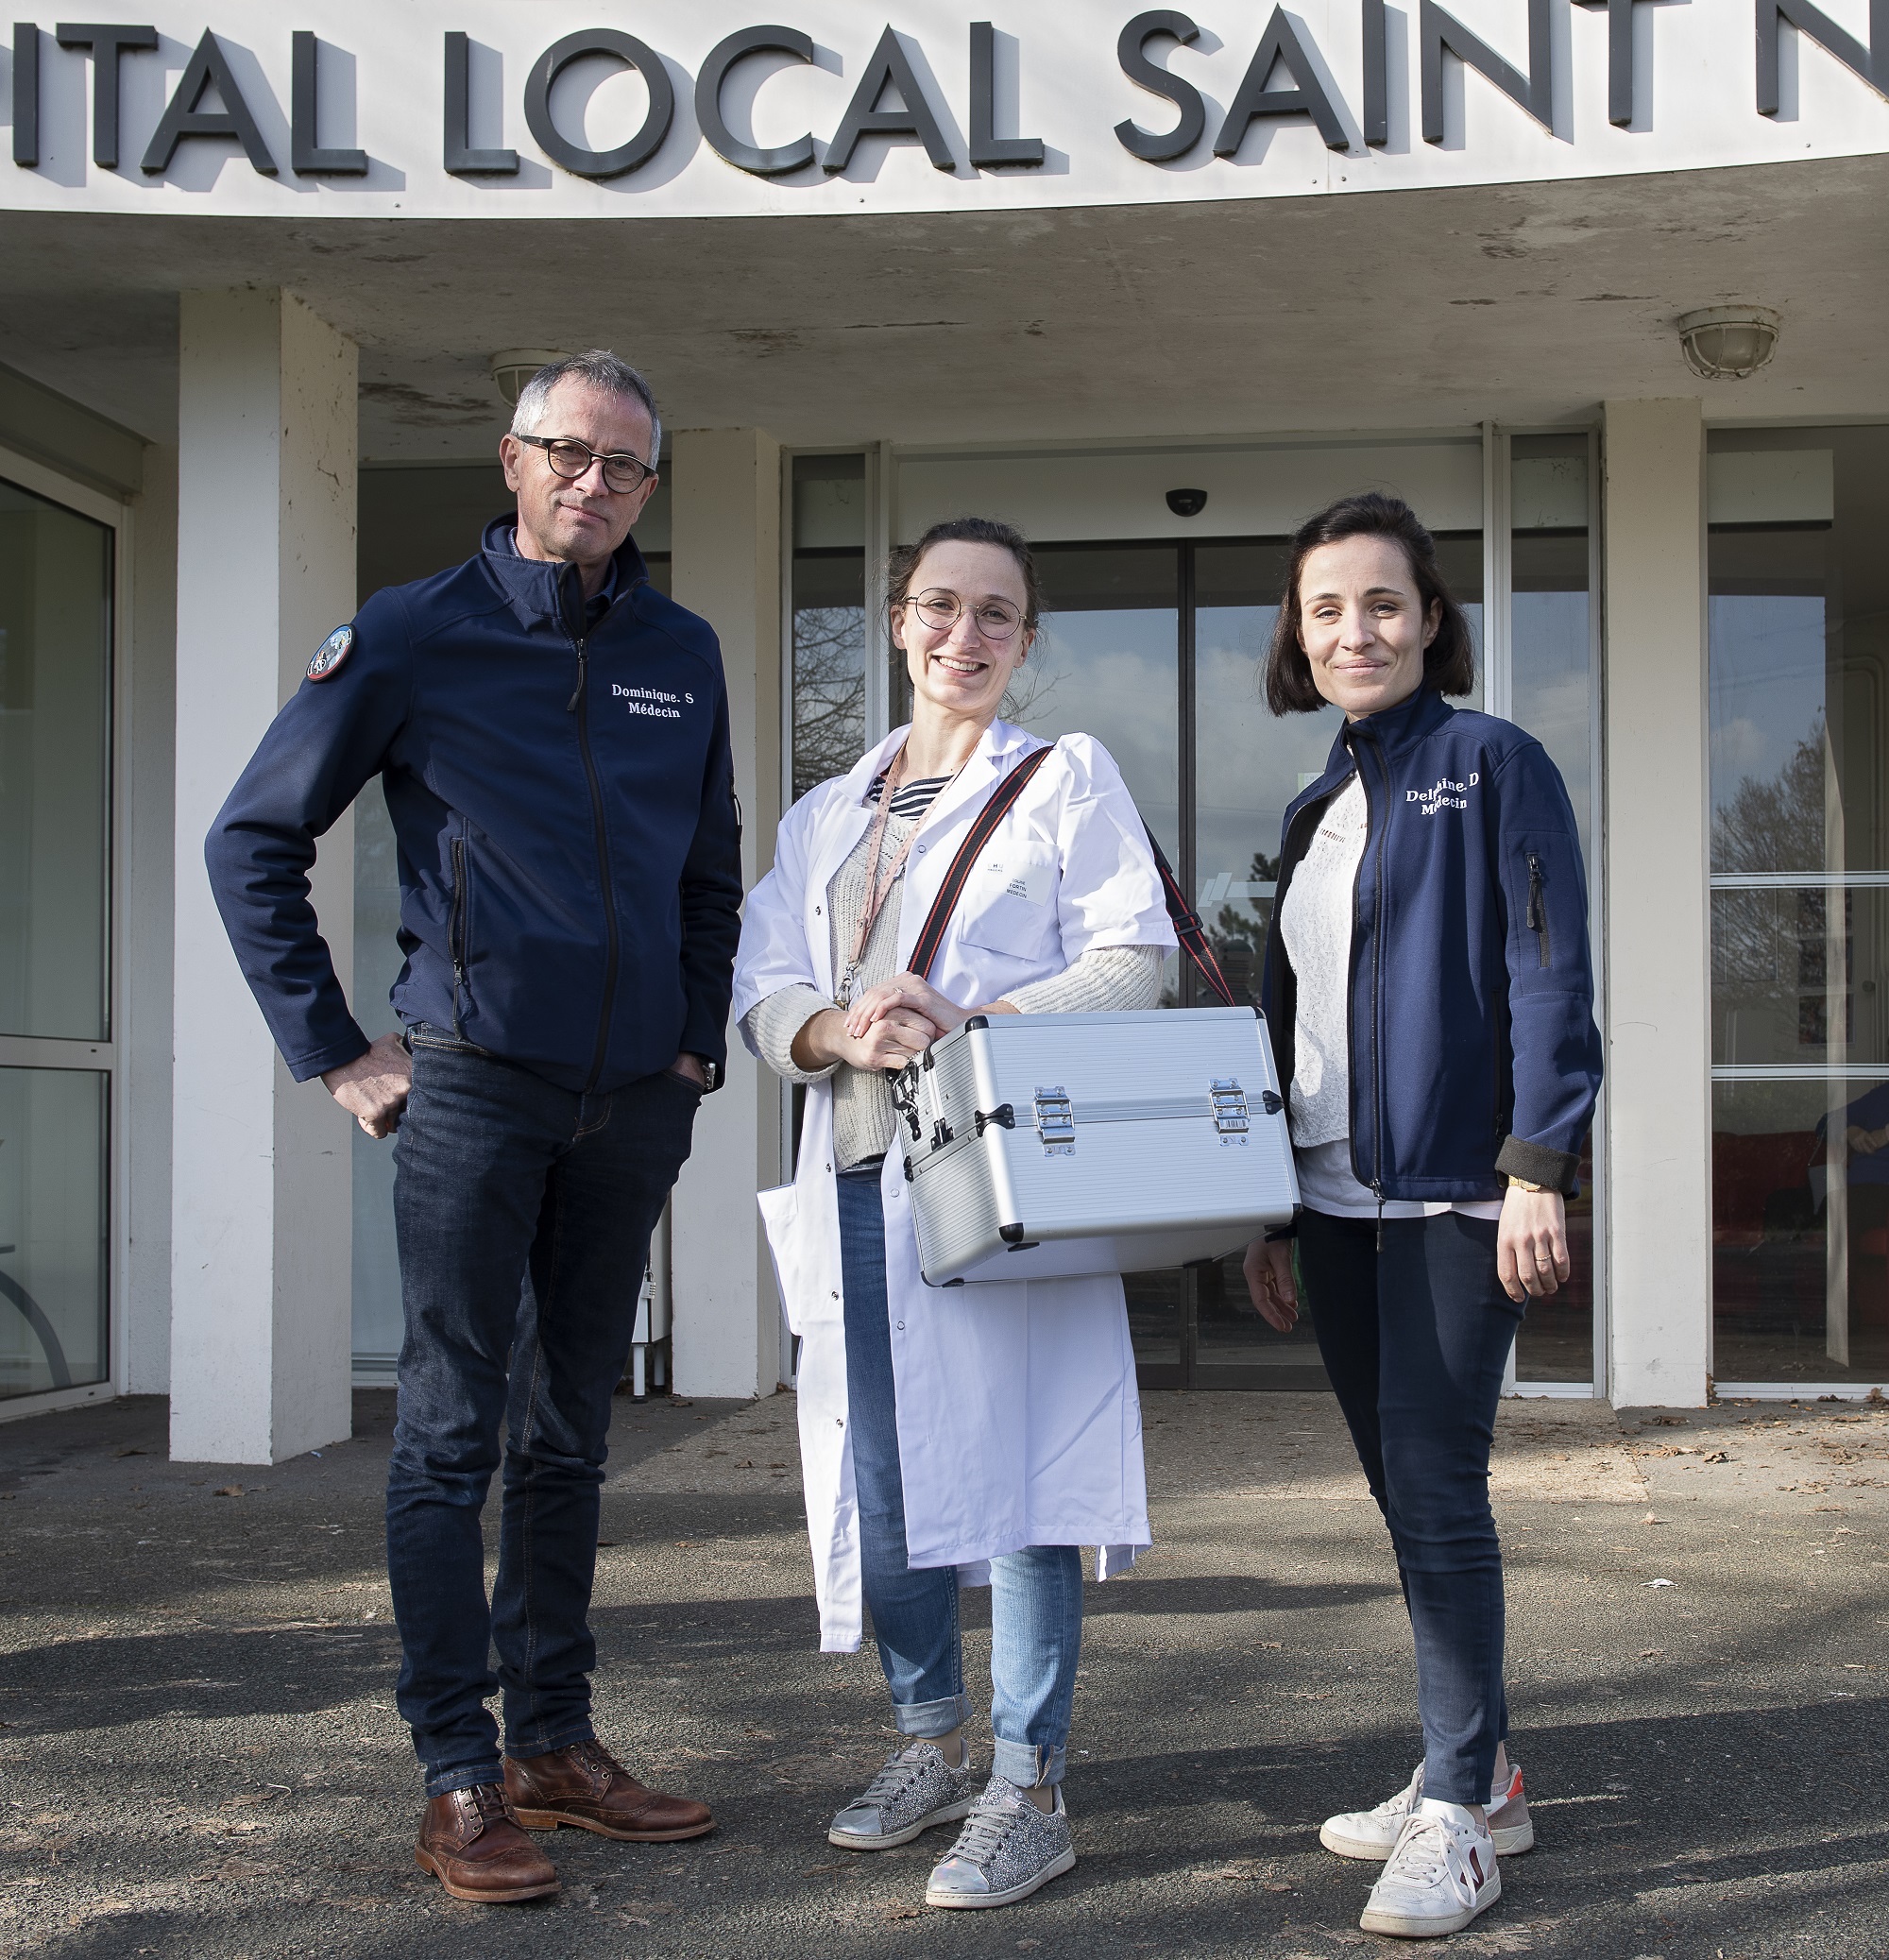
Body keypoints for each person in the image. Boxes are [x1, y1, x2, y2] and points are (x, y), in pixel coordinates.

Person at [205, 351, 743, 1904]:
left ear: (649, 485)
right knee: (450, 1434)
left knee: (571, 1427)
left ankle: (554, 1747)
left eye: (624, 465)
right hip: (470, 1086)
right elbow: (254, 842)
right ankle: (457, 1773)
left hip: (633, 1102)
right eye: (567, 453)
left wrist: (696, 1044)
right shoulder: (407, 634)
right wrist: (338, 1055)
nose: (593, 482)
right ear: (511, 461)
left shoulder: (682, 651)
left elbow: (707, 874)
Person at [734, 517, 1175, 1911]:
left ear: (1025, 643)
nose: (964, 636)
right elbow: (760, 984)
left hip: (999, 1181)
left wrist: (966, 1015)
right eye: (941, 607)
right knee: (887, 1475)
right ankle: (930, 1738)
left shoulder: (1064, 780)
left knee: (1029, 1477)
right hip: (859, 1175)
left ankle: (1031, 1779)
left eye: (996, 616)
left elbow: (1137, 961)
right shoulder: (830, 810)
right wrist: (828, 1035)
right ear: (897, 620)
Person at [1241, 493, 1602, 1940]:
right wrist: (1267, 1206)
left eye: (1382, 602)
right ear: (1301, 635)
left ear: (1432, 619)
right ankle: (1481, 1768)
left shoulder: (1491, 763)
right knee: (1406, 1498)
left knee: (1441, 1492)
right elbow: (1286, 1021)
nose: (1355, 630)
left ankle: (1459, 1811)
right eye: (1327, 609)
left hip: (1458, 1188)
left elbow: (1549, 973)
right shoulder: (1313, 809)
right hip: (1331, 1197)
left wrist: (1539, 1164)